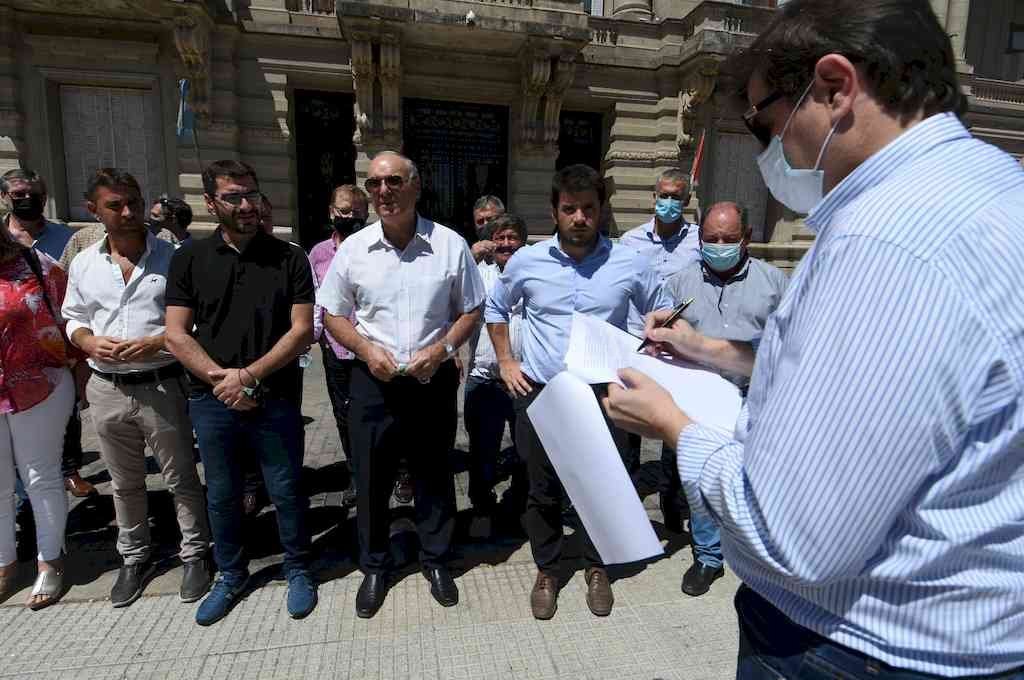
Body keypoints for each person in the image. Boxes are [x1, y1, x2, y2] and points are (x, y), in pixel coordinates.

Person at [602, 1, 1024, 677]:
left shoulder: (884, 240)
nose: (768, 150)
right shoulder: (999, 188)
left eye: (764, 122)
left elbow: (795, 536)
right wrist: (707, 351)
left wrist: (675, 427)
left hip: (858, 647)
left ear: (834, 87)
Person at [485, 164, 669, 621]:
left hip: (606, 395)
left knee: (601, 487)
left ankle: (596, 566)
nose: (580, 217)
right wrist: (506, 361)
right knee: (541, 490)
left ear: (601, 209)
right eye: (570, 209)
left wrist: (655, 338)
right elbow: (495, 307)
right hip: (542, 393)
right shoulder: (527, 261)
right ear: (555, 212)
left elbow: (662, 310)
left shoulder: (629, 262)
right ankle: (548, 569)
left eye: (588, 208)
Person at [318, 151, 486, 618]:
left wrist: (444, 349)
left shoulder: (450, 245)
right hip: (373, 380)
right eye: (374, 184)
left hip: (432, 379)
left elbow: (472, 307)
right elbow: (332, 313)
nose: (383, 191)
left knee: (434, 472)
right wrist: (365, 350)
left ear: (416, 185)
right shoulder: (354, 249)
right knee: (371, 476)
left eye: (393, 181)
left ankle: (436, 559)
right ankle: (375, 565)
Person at [165, 159, 318, 626]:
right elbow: (176, 333)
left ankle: (298, 568)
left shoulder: (290, 257)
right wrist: (223, 381)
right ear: (211, 203)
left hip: (275, 397)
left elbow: (301, 330)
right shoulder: (189, 258)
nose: (246, 204)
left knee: (286, 489)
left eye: (251, 193)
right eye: (233, 196)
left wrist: (248, 376)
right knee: (223, 493)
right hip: (212, 400)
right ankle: (230, 574)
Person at [62, 169, 212, 608]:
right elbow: (73, 316)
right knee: (124, 482)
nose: (129, 212)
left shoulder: (174, 258)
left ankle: (195, 553)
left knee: (181, 477)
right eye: (116, 205)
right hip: (106, 387)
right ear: (94, 210)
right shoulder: (85, 263)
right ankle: (134, 557)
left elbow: (197, 321)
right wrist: (88, 341)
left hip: (162, 384)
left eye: (135, 202)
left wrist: (157, 341)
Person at [657, 201, 787, 598]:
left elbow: (791, 343)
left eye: (728, 239)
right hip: (702, 395)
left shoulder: (776, 282)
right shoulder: (678, 284)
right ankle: (708, 557)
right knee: (703, 478)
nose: (719, 246)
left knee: (759, 478)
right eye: (711, 238)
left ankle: (757, 550)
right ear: (699, 238)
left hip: (756, 395)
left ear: (746, 237)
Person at [2, 169, 94, 499]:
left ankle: (70, 469)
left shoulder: (67, 236)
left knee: (66, 411)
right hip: (11, 345)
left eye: (35, 194)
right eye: (19, 194)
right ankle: (23, 490)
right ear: (5, 198)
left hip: (55, 341)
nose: (28, 199)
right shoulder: (1, 237)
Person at [0, 225, 77, 609]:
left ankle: (50, 562)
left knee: (40, 476)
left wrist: (80, 370)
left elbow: (70, 317)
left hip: (39, 384)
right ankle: (5, 563)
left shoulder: (34, 263)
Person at [617, 169, 701, 475]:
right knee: (629, 419)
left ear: (687, 200)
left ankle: (672, 493)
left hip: (678, 346)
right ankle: (627, 484)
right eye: (663, 195)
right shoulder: (629, 241)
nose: (668, 202)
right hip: (635, 341)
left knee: (677, 418)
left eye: (675, 197)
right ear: (654, 196)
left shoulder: (700, 241)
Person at [463, 213, 528, 531]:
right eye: (500, 237)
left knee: (526, 449)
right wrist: (471, 254)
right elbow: (450, 291)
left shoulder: (535, 273)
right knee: (482, 450)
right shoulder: (478, 273)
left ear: (522, 242)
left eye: (512, 237)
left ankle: (521, 506)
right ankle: (482, 507)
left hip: (525, 378)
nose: (506, 243)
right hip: (485, 376)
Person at [310, 184, 369, 509]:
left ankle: (399, 473)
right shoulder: (318, 254)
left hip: (372, 350)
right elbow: (316, 300)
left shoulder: (377, 247)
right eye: (344, 211)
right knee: (344, 417)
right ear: (332, 212)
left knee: (382, 414)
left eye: (356, 213)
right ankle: (356, 476)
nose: (349, 217)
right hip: (335, 350)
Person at [469, 195, 505, 263]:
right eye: (480, 221)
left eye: (490, 219)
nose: (485, 224)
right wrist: (471, 259)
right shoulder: (469, 255)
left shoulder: (516, 251)